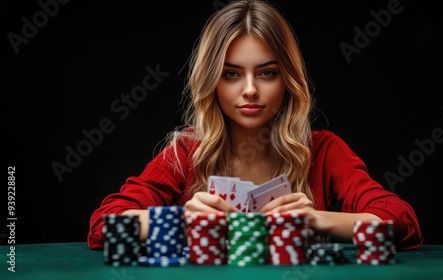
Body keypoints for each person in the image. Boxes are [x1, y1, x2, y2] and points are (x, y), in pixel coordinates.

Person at [88, 0, 423, 251]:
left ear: (288, 80)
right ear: (212, 82)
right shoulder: (186, 152)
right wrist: (181, 223)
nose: (250, 89)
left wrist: (317, 220)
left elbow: (403, 224)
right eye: (231, 74)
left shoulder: (321, 150)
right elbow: (103, 226)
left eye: (267, 73)